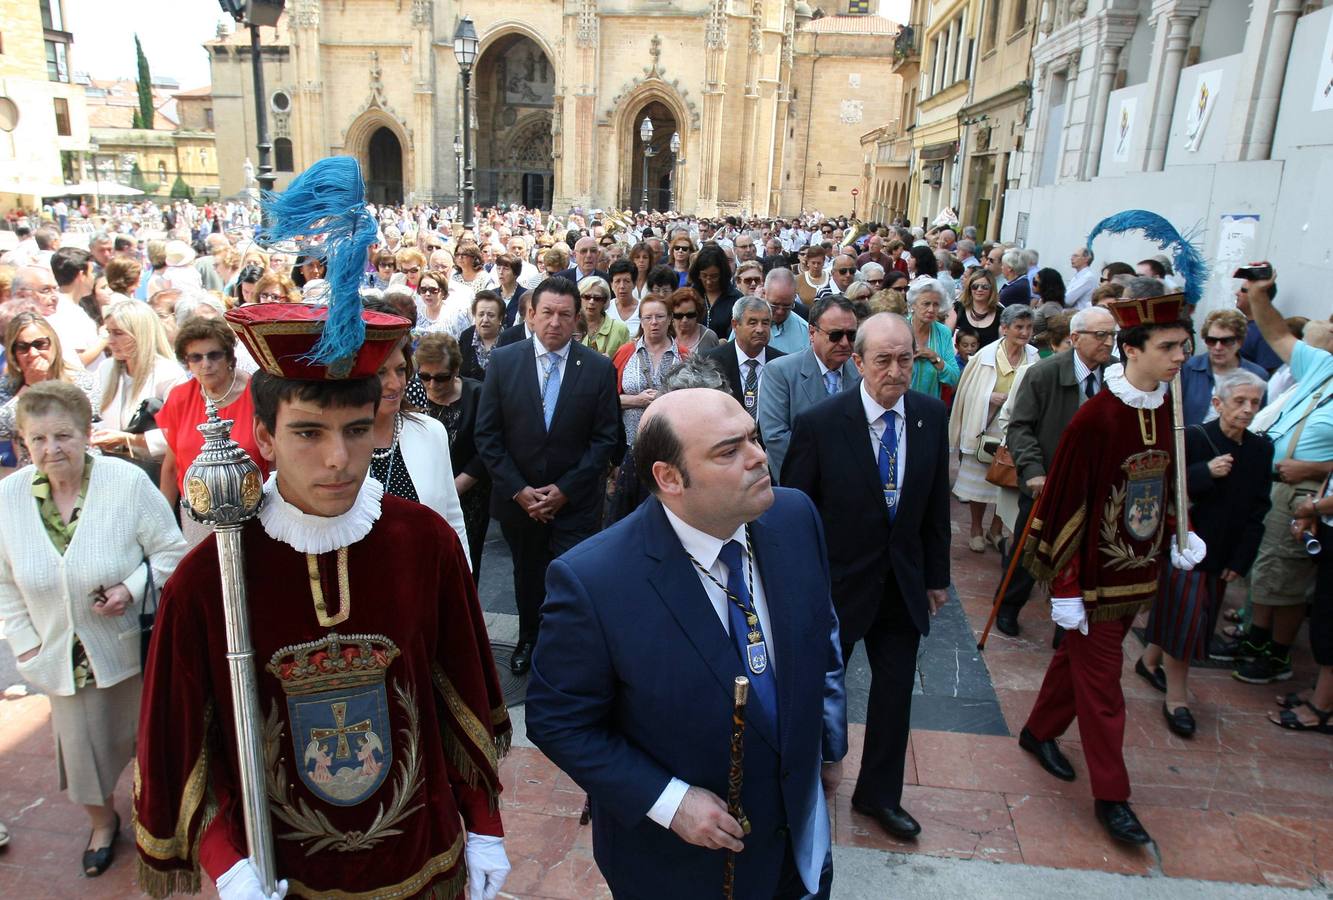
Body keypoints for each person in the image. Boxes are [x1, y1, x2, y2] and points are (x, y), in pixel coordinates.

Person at [135, 303, 511, 899]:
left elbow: (459, 687)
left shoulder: (423, 542)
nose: (338, 459)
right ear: (263, 435)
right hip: (283, 869)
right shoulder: (209, 578)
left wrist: (485, 826)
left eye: (356, 430)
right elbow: (182, 740)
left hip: (421, 854)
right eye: (308, 432)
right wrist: (229, 865)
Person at [525, 387, 846, 899]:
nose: (759, 456)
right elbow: (557, 720)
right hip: (682, 870)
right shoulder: (594, 579)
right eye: (728, 450)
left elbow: (822, 640)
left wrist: (828, 748)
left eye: (754, 437)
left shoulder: (795, 516)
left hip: (798, 851)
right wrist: (670, 802)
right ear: (669, 478)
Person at [1018, 292, 1204, 845]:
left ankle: (1038, 731)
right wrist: (1067, 587)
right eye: (1168, 347)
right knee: (1104, 691)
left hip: (1137, 575)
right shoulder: (1095, 418)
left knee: (1074, 667)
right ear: (1131, 350)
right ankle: (1113, 798)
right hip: (1093, 582)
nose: (1178, 357)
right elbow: (1065, 505)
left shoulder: (1168, 407)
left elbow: (1163, 485)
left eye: (1182, 347)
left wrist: (1178, 532)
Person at [0, 382, 186, 877]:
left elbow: (171, 551)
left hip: (130, 645)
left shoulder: (124, 483)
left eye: (63, 436)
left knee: (149, 743)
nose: (51, 449)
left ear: (86, 434)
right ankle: (103, 824)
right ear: (22, 441)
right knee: (83, 756)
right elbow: (2, 583)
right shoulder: (9, 497)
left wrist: (129, 587)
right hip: (60, 654)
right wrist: (28, 642)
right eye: (36, 439)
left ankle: (160, 819)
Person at [782, 313, 952, 842]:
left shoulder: (929, 417)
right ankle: (803, 784)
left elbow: (934, 506)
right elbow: (793, 512)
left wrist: (936, 576)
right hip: (837, 586)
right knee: (816, 690)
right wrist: (799, 585)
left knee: (895, 694)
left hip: (901, 585)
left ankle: (880, 795)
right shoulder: (821, 423)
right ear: (858, 363)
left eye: (905, 359)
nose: (896, 371)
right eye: (883, 360)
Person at [475, 276, 621, 675]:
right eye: (547, 313)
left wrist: (565, 491)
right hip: (519, 501)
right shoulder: (505, 362)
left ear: (579, 319)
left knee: (572, 578)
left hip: (575, 503)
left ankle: (568, 648)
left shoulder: (597, 369)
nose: (555, 322)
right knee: (527, 575)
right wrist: (520, 491)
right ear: (530, 314)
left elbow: (606, 438)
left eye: (565, 314)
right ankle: (528, 638)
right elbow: (487, 434)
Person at [1138, 371, 1272, 736]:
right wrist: (1204, 472)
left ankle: (1149, 660)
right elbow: (1166, 487)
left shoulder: (1261, 449)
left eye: (1254, 403)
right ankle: (1177, 701)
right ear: (1218, 404)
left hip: (1225, 553)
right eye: (1239, 402)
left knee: (1189, 614)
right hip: (1187, 546)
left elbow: (1259, 508)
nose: (1247, 410)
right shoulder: (1195, 438)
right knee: (1187, 619)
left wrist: (1241, 559)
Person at [1230, 269, 1333, 684]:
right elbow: (1276, 334)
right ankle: (1257, 641)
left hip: (1303, 492)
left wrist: (1318, 468)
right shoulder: (1323, 366)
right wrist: (1257, 293)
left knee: (1285, 580)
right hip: (1274, 482)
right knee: (1266, 572)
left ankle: (1275, 655)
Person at [993, 305, 1119, 636]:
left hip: (1096, 484)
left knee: (1083, 551)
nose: (1108, 343)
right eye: (1100, 335)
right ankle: (1007, 605)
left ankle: (1069, 617)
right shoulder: (1044, 373)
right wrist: (1033, 469)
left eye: (1112, 335)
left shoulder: (1118, 376)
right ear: (1075, 338)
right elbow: (1020, 427)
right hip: (1047, 481)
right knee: (1028, 548)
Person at [157, 317, 264, 547]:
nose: (205, 364)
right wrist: (163, 523)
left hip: (254, 514)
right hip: (198, 518)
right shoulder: (179, 398)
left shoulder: (258, 394)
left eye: (214, 355)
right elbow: (171, 465)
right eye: (195, 357)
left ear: (229, 356)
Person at [368, 331, 471, 569]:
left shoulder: (431, 432)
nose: (395, 383)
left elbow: (452, 516)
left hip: (427, 580)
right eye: (381, 372)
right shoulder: (336, 445)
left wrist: (462, 583)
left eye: (401, 370)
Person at [948, 305, 1039, 552]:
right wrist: (990, 396)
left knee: (1007, 483)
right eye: (1019, 327)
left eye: (1028, 327)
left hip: (1015, 429)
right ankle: (976, 528)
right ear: (1005, 328)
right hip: (985, 426)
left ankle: (996, 530)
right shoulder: (985, 356)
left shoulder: (1033, 357)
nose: (1024, 332)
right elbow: (968, 391)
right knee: (979, 482)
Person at [758, 295, 862, 481]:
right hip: (801, 481)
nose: (845, 343)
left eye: (851, 335)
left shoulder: (862, 372)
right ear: (812, 333)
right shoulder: (780, 372)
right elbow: (775, 437)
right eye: (835, 335)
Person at [417, 332, 490, 580]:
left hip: (468, 495)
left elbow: (486, 449)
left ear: (456, 369)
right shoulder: (413, 395)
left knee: (463, 564)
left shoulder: (478, 394)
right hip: (422, 495)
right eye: (425, 376)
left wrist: (453, 489)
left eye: (441, 377)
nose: (432, 385)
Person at [88, 301, 187, 480]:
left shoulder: (168, 373)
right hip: (114, 472)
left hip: (156, 475)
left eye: (118, 333)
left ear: (140, 334)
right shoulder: (106, 369)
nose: (110, 341)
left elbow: (180, 433)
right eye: (109, 332)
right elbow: (102, 418)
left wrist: (126, 440)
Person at [0, 313, 100, 471]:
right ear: (13, 354)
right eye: (23, 347)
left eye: (40, 344)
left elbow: (88, 424)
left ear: (53, 344)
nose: (33, 353)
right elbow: (2, 429)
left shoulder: (81, 381)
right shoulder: (7, 386)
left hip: (80, 470)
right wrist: (31, 386)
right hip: (33, 475)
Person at [1180, 308, 1268, 425]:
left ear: (1240, 342)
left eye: (1226, 341)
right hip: (1193, 439)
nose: (1218, 347)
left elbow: (1259, 419)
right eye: (1211, 340)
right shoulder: (1188, 368)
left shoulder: (1257, 375)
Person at [703, 297, 785, 423]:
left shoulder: (783, 363)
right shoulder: (710, 362)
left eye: (765, 323)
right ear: (735, 325)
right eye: (752, 323)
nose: (760, 329)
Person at [612, 294, 679, 448]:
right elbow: (607, 399)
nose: (654, 322)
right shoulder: (626, 352)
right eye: (648, 317)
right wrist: (636, 400)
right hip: (629, 443)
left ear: (670, 319)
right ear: (641, 322)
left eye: (660, 316)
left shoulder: (683, 355)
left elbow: (692, 401)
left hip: (671, 443)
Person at [906, 278, 960, 398]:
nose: (931, 309)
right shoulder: (900, 329)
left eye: (935, 304)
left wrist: (933, 356)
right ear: (913, 305)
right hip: (900, 404)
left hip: (930, 404)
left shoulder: (943, 333)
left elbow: (954, 377)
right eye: (926, 304)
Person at [692, 245, 741, 341]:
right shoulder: (691, 295)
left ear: (722, 274)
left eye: (714, 276)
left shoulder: (736, 299)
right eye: (704, 275)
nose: (709, 281)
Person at [458, 290, 505, 380]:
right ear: (474, 316)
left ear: (500, 318)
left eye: (491, 315)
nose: (485, 319)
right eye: (481, 314)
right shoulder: (466, 337)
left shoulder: (509, 339)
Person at [765, 268, 811, 355]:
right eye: (774, 305)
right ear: (764, 294)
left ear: (795, 298)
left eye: (787, 306)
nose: (780, 312)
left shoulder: (805, 331)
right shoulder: (746, 323)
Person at [953, 268, 1001, 350]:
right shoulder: (958, 308)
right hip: (961, 362)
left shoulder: (1000, 313)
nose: (979, 289)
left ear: (992, 289)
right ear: (969, 288)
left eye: (985, 287)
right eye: (975, 286)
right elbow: (945, 335)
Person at [668, 287, 720, 358]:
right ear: (671, 315)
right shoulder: (666, 335)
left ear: (698, 313)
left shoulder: (709, 338)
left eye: (690, 315)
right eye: (679, 316)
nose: (684, 320)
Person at [606, 259, 642, 335]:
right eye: (617, 281)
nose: (622, 286)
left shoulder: (643, 308)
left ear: (634, 284)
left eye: (627, 281)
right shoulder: (606, 308)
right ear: (611, 285)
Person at [494, 253, 527, 327]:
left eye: (506, 269)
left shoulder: (525, 296)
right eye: (498, 268)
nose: (500, 272)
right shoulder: (491, 295)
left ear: (515, 273)